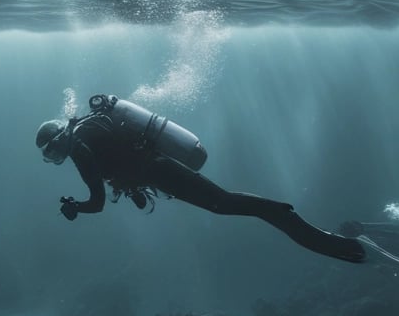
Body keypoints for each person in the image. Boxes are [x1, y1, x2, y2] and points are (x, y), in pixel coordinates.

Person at [36, 93, 366, 264]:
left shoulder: (79, 147)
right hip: (158, 167)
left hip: (158, 170)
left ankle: (292, 219)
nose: (56, 159)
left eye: (51, 154)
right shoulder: (90, 129)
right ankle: (290, 219)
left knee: (222, 203)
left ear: (57, 140)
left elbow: (97, 203)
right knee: (221, 203)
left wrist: (75, 208)